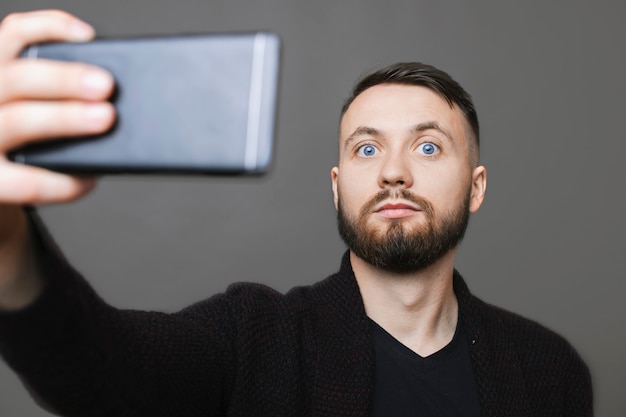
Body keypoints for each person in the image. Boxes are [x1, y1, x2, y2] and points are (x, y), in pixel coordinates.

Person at [0, 9, 592, 417]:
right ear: (338, 188)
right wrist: (7, 247)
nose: (394, 172)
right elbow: (106, 375)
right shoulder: (254, 337)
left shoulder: (548, 369)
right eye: (366, 148)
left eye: (429, 146)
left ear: (476, 188)